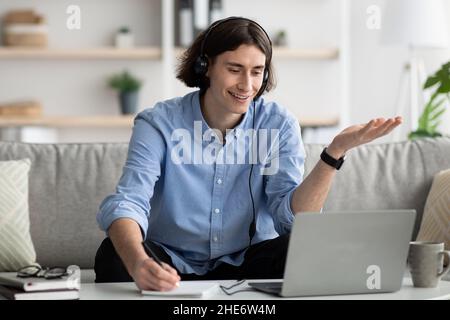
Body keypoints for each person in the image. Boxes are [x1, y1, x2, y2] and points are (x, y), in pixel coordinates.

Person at [94, 17, 402, 292]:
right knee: (114, 255)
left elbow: (292, 220)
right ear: (206, 67)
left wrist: (334, 153)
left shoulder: (279, 124)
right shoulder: (158, 123)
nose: (247, 85)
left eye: (257, 72)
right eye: (234, 69)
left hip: (249, 262)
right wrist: (138, 263)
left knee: (302, 249)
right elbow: (129, 201)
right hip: (172, 261)